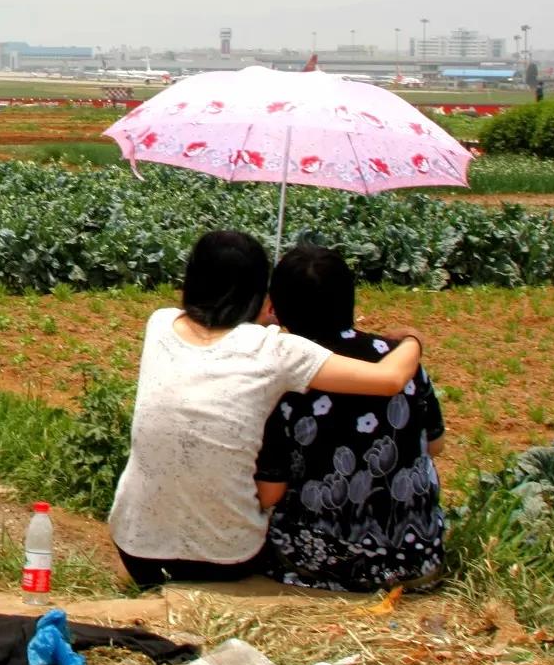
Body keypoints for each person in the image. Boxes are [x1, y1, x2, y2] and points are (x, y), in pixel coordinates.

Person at [106, 230, 426, 587]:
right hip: (225, 559)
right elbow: (388, 379)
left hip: (136, 550)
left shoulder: (161, 323)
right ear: (260, 290)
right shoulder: (277, 350)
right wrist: (412, 339)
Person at [254, 245, 445, 592]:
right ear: (350, 300)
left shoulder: (283, 379)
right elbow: (436, 445)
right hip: (417, 557)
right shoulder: (400, 362)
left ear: (277, 310)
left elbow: (271, 491)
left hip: (320, 562)